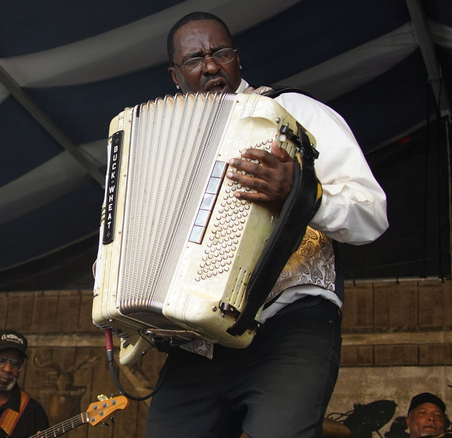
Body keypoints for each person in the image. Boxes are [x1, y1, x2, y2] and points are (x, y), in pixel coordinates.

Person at [145, 12, 389, 438]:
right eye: (194, 59)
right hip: (195, 343)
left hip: (287, 325)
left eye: (220, 52)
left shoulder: (292, 112)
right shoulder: (159, 143)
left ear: (237, 59)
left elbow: (372, 214)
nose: (209, 65)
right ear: (175, 75)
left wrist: (301, 194)